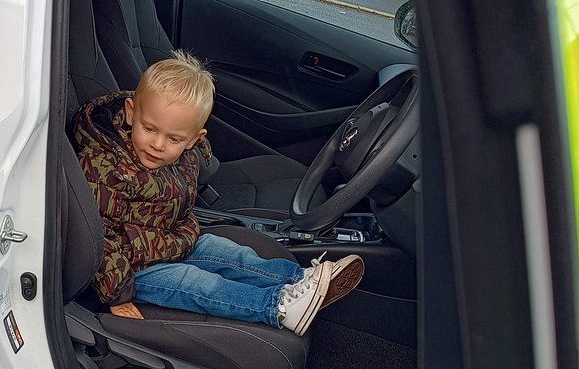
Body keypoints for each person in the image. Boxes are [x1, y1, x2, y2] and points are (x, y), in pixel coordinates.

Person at [72, 51, 364, 336]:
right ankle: (279, 307)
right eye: (149, 129)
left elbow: (176, 207)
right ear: (130, 112)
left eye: (174, 138)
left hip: (169, 242)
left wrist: (182, 237)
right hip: (132, 269)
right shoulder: (106, 167)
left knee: (231, 254)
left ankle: (299, 279)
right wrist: (118, 294)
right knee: (199, 284)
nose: (158, 144)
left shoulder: (181, 157)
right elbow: (99, 236)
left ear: (194, 140)